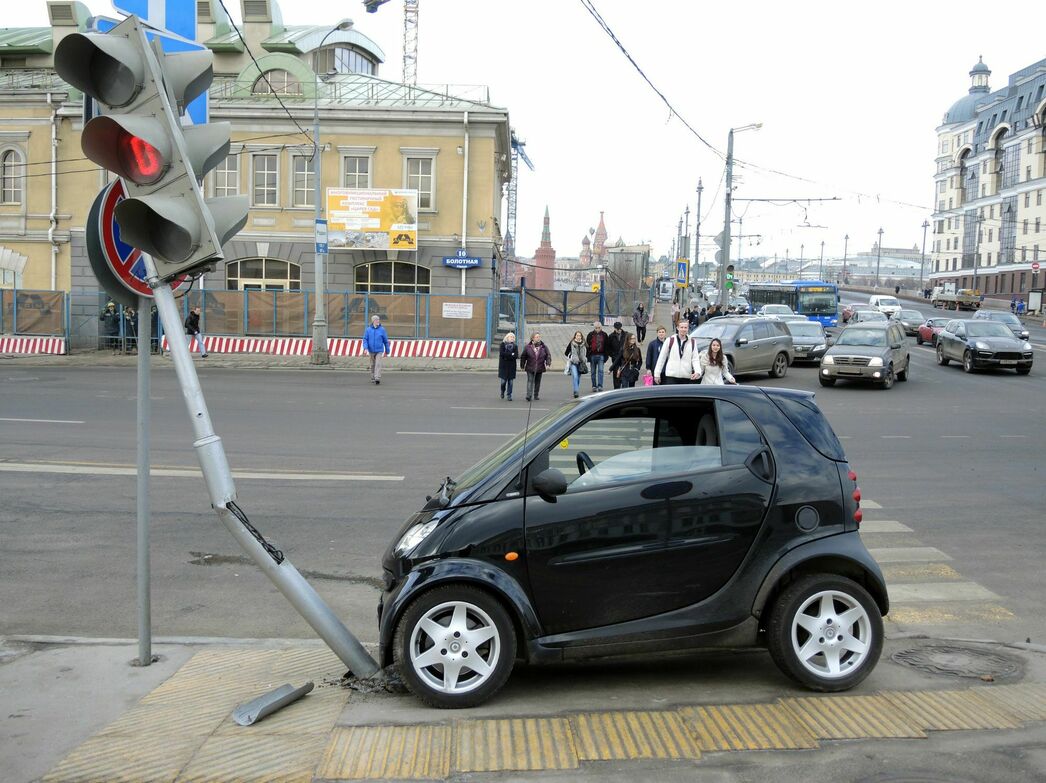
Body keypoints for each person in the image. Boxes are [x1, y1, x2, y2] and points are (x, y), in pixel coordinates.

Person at [653, 320, 699, 384]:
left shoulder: (692, 342)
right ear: (677, 328)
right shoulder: (670, 340)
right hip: (671, 376)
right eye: (681, 327)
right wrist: (657, 374)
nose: (683, 329)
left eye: (685, 327)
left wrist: (697, 371)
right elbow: (662, 358)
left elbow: (695, 359)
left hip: (686, 376)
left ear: (688, 328)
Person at [520, 331, 551, 401]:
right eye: (537, 337)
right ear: (532, 338)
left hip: (540, 367)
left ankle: (536, 394)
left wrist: (548, 364)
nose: (538, 338)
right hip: (530, 367)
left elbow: (548, 356)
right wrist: (522, 365)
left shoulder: (544, 347)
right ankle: (529, 395)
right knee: (530, 381)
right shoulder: (528, 347)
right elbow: (523, 356)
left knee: (537, 382)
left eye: (539, 337)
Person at [362, 314, 391, 384]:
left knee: (378, 364)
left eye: (378, 320)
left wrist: (387, 350)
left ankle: (377, 377)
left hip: (379, 350)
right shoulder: (368, 330)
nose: (378, 321)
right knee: (372, 365)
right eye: (376, 320)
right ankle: (372, 377)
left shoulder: (382, 329)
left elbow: (385, 340)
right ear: (373, 321)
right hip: (371, 350)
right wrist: (365, 348)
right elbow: (365, 339)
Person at [585, 320, 609, 392]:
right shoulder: (590, 334)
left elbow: (607, 346)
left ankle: (600, 385)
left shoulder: (604, 335)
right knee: (593, 372)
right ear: (594, 328)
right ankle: (594, 386)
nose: (597, 329)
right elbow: (587, 346)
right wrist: (587, 356)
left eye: (599, 327)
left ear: (601, 327)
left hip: (601, 355)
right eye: (596, 327)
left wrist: (606, 356)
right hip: (592, 355)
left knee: (601, 371)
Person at [563, 330, 588, 398]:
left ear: (581, 337)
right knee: (575, 377)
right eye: (577, 335)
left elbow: (588, 352)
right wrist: (571, 357)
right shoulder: (572, 343)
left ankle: (575, 389)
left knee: (578, 379)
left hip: (581, 364)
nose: (578, 337)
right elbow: (566, 352)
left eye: (580, 335)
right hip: (574, 363)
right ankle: (576, 392)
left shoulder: (584, 344)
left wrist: (585, 358)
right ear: (575, 336)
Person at [498, 332, 518, 401]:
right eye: (511, 337)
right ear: (507, 338)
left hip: (512, 367)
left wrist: (508, 355)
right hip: (503, 366)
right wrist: (511, 354)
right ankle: (502, 391)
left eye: (513, 337)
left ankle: (509, 395)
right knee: (503, 382)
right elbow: (502, 354)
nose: (512, 338)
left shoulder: (515, 346)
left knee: (511, 382)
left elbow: (516, 356)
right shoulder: (502, 345)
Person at [607, 321, 626, 390]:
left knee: (623, 373)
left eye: (620, 328)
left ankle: (623, 388)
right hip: (615, 358)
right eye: (617, 329)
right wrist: (612, 355)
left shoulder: (625, 335)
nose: (619, 330)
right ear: (614, 328)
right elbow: (608, 347)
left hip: (624, 358)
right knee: (616, 375)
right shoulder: (611, 336)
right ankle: (616, 389)